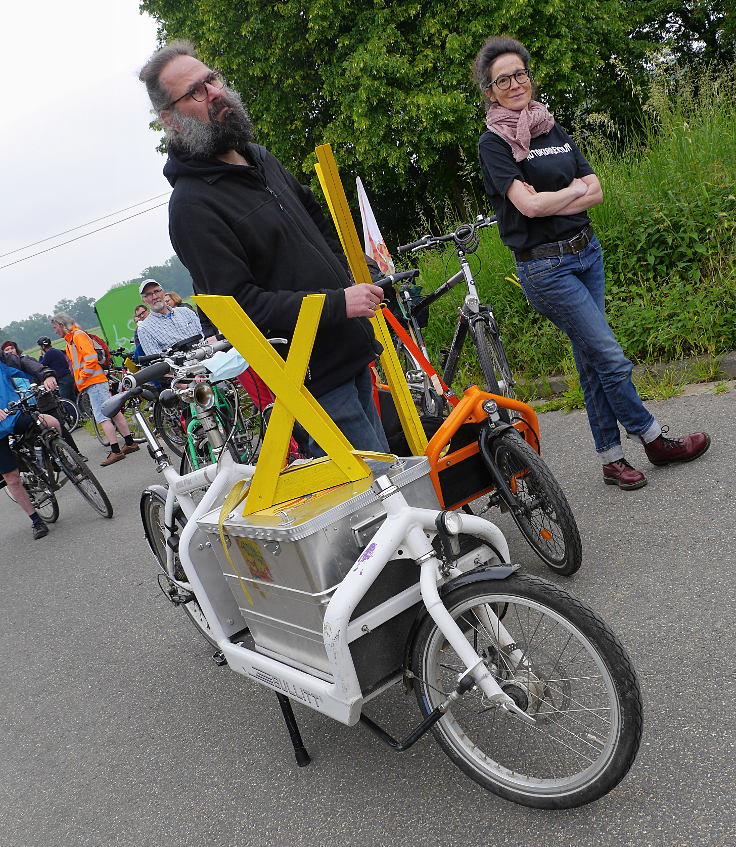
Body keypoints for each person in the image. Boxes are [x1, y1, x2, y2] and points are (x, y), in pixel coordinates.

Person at [473, 36, 710, 490]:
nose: (515, 83)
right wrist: (570, 195)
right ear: (490, 90)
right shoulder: (493, 143)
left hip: (588, 252)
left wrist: (556, 198)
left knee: (590, 359)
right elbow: (528, 207)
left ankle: (611, 458)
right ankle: (654, 437)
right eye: (503, 80)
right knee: (610, 357)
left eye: (520, 73)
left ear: (529, 75)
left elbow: (596, 190)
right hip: (546, 269)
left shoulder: (550, 127)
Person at [138, 41, 389, 457]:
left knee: (390, 483)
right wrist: (337, 303)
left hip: (350, 349)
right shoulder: (192, 207)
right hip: (309, 379)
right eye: (195, 91)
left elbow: (316, 219)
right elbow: (239, 309)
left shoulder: (259, 159)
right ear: (171, 119)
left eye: (212, 79)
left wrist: (353, 273)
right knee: (379, 502)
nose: (214, 91)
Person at [51, 313, 140, 467]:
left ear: (61, 324)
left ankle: (115, 450)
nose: (55, 331)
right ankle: (129, 442)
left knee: (103, 416)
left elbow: (91, 357)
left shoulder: (77, 337)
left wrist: (83, 376)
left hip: (93, 382)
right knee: (114, 411)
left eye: (55, 327)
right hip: (96, 381)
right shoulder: (73, 339)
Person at [0, 347, 59, 539]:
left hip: (13, 415)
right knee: (12, 478)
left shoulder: (2, 359)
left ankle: (58, 457)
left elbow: (23, 363)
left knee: (50, 422)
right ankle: (36, 520)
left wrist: (46, 374)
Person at [136, 278, 203, 355]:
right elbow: (158, 360)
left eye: (156, 291)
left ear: (163, 293)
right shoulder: (144, 329)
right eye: (148, 294)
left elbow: (203, 336)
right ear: (144, 300)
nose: (154, 297)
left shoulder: (186, 312)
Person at [37, 337, 76, 402]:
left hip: (62, 380)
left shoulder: (49, 353)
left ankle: (74, 412)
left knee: (66, 401)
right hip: (69, 376)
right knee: (72, 398)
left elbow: (41, 366)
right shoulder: (57, 350)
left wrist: (40, 357)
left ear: (43, 346)